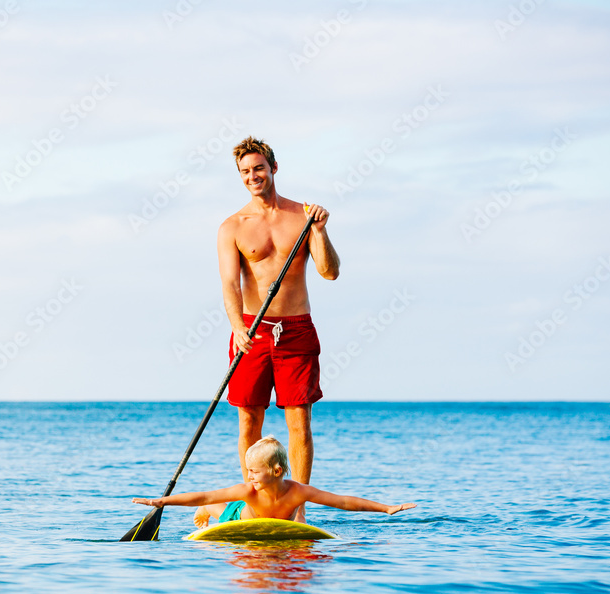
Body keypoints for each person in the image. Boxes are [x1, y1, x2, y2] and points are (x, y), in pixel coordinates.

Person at [217, 136, 341, 522]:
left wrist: (318, 230)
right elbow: (230, 285)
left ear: (273, 168)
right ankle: (255, 505)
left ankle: (296, 508)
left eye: (258, 168)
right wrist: (238, 328)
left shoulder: (302, 216)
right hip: (252, 331)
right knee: (249, 420)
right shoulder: (232, 226)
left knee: (299, 423)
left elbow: (330, 271)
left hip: (296, 330)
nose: (252, 176)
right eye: (245, 172)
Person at [132, 436, 415, 526]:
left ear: (277, 471)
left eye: (254, 471)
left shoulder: (298, 492)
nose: (249, 476)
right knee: (218, 508)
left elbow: (341, 501)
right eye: (248, 470)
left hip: (270, 519)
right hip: (238, 519)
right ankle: (208, 516)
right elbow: (204, 496)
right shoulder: (247, 489)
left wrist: (386, 508)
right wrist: (163, 502)